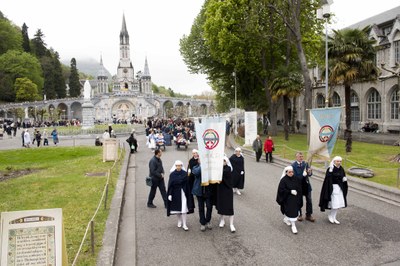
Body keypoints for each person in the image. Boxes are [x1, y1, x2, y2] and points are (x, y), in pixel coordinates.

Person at [319, 156, 348, 224]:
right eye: (337, 161)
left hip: (339, 188)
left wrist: (344, 179)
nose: (339, 162)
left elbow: (343, 175)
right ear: (334, 161)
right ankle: (330, 215)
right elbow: (327, 178)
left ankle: (334, 217)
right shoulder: (330, 168)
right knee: (334, 203)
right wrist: (330, 172)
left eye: (340, 161)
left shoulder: (341, 168)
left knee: (338, 204)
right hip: (332, 188)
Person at [167, 160, 195, 231]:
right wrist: (170, 194)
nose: (178, 167)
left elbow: (188, 184)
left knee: (184, 209)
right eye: (177, 166)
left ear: (181, 166)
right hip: (175, 193)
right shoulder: (172, 174)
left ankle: (184, 224)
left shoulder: (185, 174)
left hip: (184, 193)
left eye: (179, 165)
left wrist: (189, 175)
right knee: (178, 209)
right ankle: (179, 220)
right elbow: (170, 185)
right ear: (175, 166)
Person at [276, 166, 302, 234]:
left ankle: (286, 219)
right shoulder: (283, 180)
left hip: (295, 198)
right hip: (287, 199)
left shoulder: (296, 178)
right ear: (286, 172)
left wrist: (298, 192)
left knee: (294, 211)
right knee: (291, 212)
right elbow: (281, 190)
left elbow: (299, 186)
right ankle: (293, 226)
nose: (291, 173)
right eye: (289, 172)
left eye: (292, 172)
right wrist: (290, 191)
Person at [291, 152, 315, 222]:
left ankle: (308, 215)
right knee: (299, 200)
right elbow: (295, 176)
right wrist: (302, 175)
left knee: (309, 200)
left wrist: (309, 172)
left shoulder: (305, 164)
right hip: (298, 186)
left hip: (306, 185)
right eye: (300, 156)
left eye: (302, 156)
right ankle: (299, 214)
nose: (301, 158)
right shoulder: (293, 166)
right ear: (296, 157)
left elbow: (310, 174)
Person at [191, 159, 214, 231]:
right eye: (200, 159)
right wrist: (202, 165)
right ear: (198, 161)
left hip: (208, 190)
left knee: (209, 206)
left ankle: (208, 220)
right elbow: (197, 173)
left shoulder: (209, 168)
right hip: (199, 191)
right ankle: (202, 223)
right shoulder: (195, 167)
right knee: (201, 208)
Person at [217, 156, 236, 233]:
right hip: (220, 190)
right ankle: (222, 220)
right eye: (221, 161)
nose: (223, 162)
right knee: (221, 205)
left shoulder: (228, 169)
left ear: (226, 162)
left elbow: (223, 174)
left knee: (229, 207)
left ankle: (231, 224)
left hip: (227, 190)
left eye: (224, 161)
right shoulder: (219, 169)